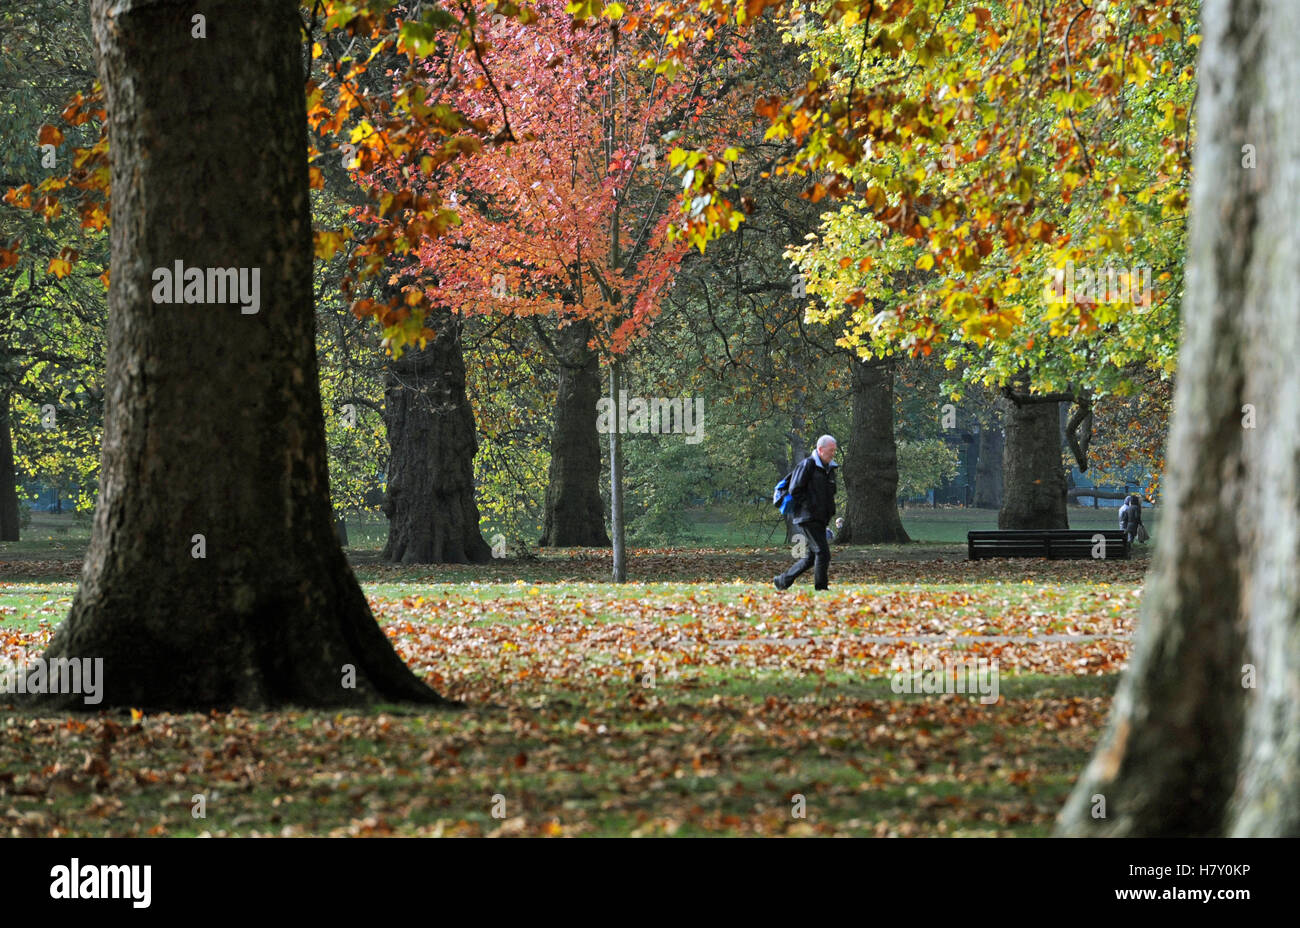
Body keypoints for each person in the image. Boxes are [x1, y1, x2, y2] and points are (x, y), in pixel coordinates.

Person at [774, 435, 839, 591]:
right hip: (807, 516)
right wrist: (811, 506)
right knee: (823, 552)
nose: (833, 454)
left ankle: (782, 580)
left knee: (811, 557)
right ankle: (821, 588)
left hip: (820, 518)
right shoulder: (807, 465)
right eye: (831, 450)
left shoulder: (829, 469)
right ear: (820, 449)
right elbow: (795, 489)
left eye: (834, 451)